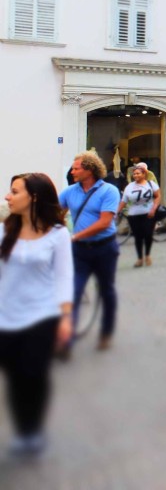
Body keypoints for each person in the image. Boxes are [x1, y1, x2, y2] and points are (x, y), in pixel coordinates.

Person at [0, 173, 73, 457]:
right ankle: (24, 427)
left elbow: (64, 277)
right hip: (5, 317)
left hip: (41, 317)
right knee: (15, 376)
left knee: (33, 374)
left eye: (14, 191)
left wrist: (66, 318)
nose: (7, 196)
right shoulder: (5, 232)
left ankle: (30, 431)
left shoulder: (58, 235)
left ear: (33, 197)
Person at [59, 151, 122, 353]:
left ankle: (106, 332)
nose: (73, 171)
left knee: (106, 291)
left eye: (77, 168)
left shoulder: (109, 191)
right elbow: (54, 214)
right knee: (73, 293)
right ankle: (66, 341)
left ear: (90, 170)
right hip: (80, 251)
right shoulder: (69, 192)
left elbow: (105, 222)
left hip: (105, 248)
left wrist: (75, 236)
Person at [117, 164, 161, 268]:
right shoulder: (129, 186)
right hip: (133, 215)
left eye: (138, 173)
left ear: (144, 174)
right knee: (138, 237)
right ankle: (140, 258)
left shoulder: (150, 184)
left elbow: (158, 196)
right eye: (134, 174)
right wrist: (116, 211)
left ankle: (147, 255)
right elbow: (124, 201)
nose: (135, 175)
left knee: (148, 235)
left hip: (148, 214)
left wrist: (154, 208)